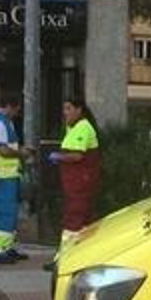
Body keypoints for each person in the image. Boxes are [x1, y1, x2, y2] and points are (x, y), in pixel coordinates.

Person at [48, 100, 102, 244]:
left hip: (80, 181)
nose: (65, 112)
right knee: (82, 218)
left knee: (74, 218)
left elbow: (77, 155)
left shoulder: (83, 127)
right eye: (64, 109)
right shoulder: (74, 127)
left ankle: (66, 249)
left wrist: (58, 157)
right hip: (77, 181)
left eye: (68, 108)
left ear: (79, 110)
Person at [0, 99, 31, 263]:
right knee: (6, 213)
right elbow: (3, 150)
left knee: (11, 212)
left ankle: (7, 246)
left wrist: (20, 151)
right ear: (9, 107)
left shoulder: (6, 122)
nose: (17, 113)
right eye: (16, 109)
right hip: (2, 175)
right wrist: (21, 153)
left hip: (9, 174)